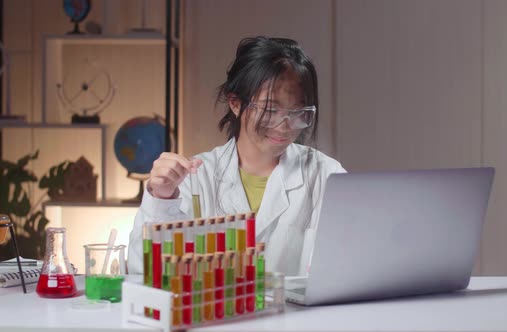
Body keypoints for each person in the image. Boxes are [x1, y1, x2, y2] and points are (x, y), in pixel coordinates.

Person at [128, 36, 346, 276]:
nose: (285, 126)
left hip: (296, 314)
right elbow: (145, 271)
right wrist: (162, 198)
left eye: (297, 112)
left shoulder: (326, 175)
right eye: (271, 110)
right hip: (218, 313)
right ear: (235, 103)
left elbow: (350, 263)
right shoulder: (195, 177)